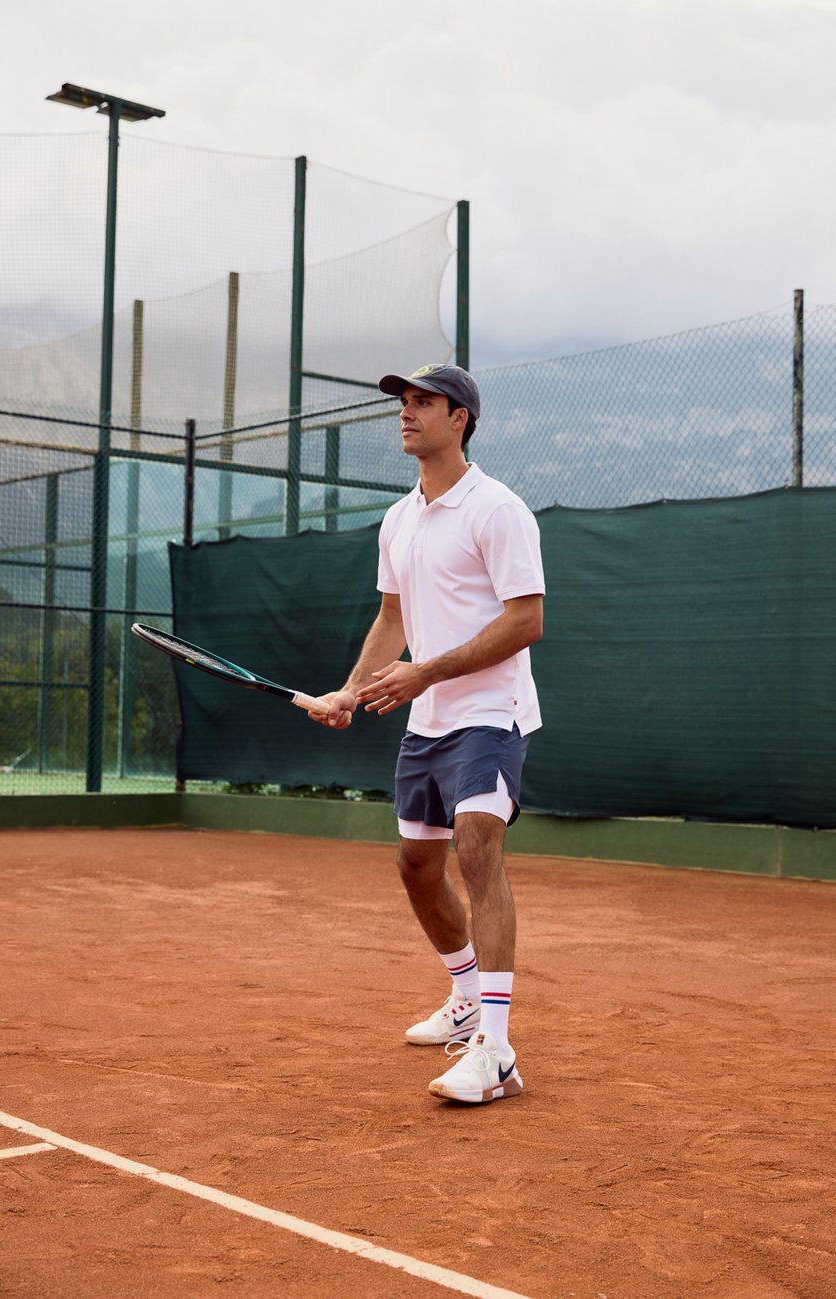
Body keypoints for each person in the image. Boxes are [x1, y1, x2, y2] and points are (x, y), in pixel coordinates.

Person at [309, 363, 544, 1104]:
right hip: (428, 720)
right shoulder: (398, 518)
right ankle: (466, 994)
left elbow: (526, 620)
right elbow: (393, 618)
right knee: (417, 865)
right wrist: (351, 691)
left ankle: (496, 1051)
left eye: (422, 403)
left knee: (476, 846)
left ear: (460, 418)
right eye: (403, 404)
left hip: (491, 712)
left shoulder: (498, 510)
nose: (405, 414)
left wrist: (427, 672)